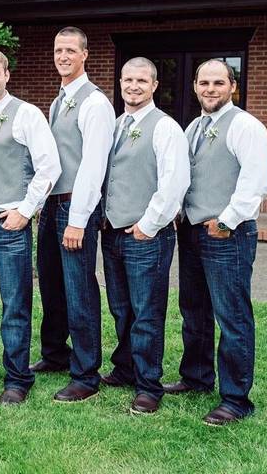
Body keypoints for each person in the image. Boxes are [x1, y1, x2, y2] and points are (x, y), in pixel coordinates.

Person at [165, 59, 267, 426]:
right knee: (194, 308)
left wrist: (227, 220)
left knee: (232, 314)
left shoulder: (245, 126)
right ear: (195, 87)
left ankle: (236, 397)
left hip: (228, 233)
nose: (210, 89)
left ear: (232, 87)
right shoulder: (193, 126)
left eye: (218, 83)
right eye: (204, 83)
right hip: (193, 229)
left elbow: (256, 180)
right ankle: (196, 378)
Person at [0, 48, 61, 405]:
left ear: (6, 75)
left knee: (15, 304)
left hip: (9, 226)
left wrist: (25, 210)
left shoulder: (27, 114)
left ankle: (18, 378)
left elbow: (49, 168)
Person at [100, 58, 190, 414]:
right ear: (120, 82)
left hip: (146, 236)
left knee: (147, 312)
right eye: (128, 79)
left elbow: (174, 183)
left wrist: (147, 225)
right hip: (112, 233)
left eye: (141, 80)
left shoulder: (165, 127)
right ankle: (125, 368)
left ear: (154, 86)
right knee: (121, 308)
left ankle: (149, 385)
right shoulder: (117, 124)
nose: (133, 86)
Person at [33, 26, 115, 403]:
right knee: (50, 282)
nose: (62, 56)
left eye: (70, 50)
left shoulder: (95, 103)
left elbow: (94, 166)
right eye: (57, 50)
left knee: (79, 288)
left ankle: (85, 373)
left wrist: (78, 219)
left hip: (74, 206)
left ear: (85, 54)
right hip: (51, 203)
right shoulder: (60, 98)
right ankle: (55, 354)